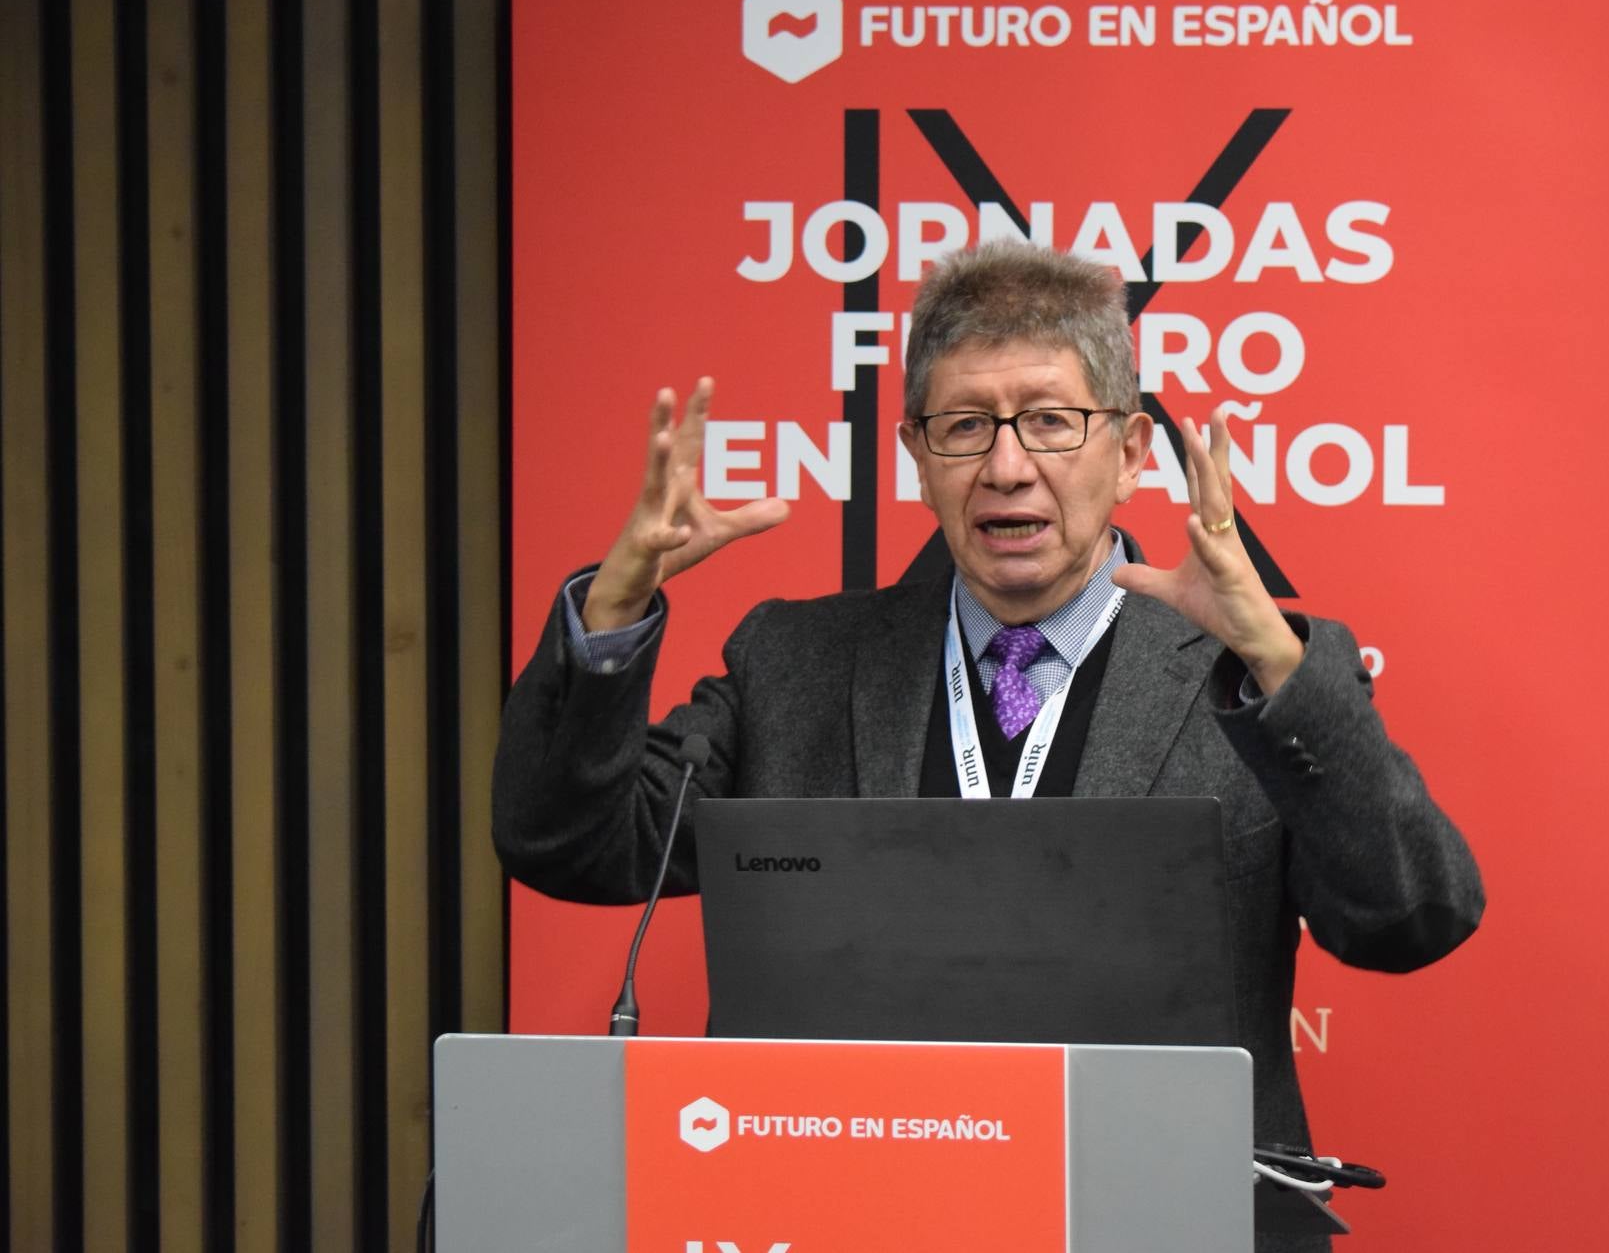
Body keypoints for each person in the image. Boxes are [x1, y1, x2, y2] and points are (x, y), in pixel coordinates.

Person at [494, 242, 1483, 1252]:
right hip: (843, 1216)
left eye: (1052, 421)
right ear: (918, 456)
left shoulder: (1247, 674)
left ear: (1134, 450)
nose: (1008, 466)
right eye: (966, 427)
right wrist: (613, 608)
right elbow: (570, 842)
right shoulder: (795, 663)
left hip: (1168, 1221)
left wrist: (1272, 656)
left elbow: (1411, 916)